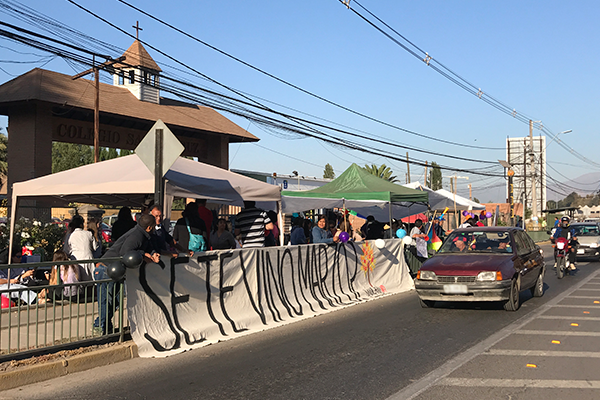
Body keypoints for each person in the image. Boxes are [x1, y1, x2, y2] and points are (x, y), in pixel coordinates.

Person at [93, 214, 160, 335]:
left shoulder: (143, 235)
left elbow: (148, 247)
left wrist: (153, 253)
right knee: (106, 300)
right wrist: (144, 255)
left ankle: (105, 325)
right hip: (106, 268)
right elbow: (126, 251)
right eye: (154, 226)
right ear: (149, 227)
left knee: (116, 301)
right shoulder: (136, 235)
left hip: (117, 269)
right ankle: (100, 327)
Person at [66, 215, 97, 281]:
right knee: (90, 284)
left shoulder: (70, 236)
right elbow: (95, 247)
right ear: (81, 224)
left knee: (77, 284)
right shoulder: (89, 234)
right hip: (89, 261)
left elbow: (66, 251)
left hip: (76, 262)